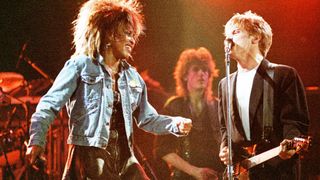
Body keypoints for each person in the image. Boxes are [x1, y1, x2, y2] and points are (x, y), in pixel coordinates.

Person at [25, 0, 192, 179]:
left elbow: (147, 119)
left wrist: (174, 124)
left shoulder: (133, 78)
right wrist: (37, 140)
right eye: (127, 33)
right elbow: (48, 105)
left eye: (133, 34)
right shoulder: (80, 66)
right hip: (90, 156)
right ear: (110, 33)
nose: (132, 39)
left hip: (125, 159)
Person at [218, 11, 309, 179]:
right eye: (227, 34)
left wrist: (290, 144)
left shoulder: (282, 75)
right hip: (239, 173)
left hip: (276, 170)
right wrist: (225, 148)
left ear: (255, 37)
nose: (228, 40)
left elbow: (294, 121)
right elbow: (225, 128)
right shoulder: (225, 84)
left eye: (235, 32)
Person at [154, 47, 224, 180]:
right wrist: (194, 171)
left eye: (205, 70)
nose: (201, 74)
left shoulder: (218, 106)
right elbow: (162, 149)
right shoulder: (174, 106)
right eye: (196, 69)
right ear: (185, 75)